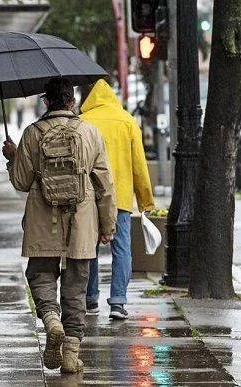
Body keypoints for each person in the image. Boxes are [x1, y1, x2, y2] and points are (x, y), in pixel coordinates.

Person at [2, 78, 116, 373]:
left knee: (41, 275)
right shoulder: (90, 132)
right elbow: (104, 185)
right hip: (82, 219)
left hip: (43, 217)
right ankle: (70, 355)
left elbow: (21, 181)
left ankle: (52, 321)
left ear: (46, 102)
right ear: (72, 101)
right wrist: (108, 226)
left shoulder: (33, 133)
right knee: (77, 285)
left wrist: (14, 158)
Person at [80, 79, 155, 320]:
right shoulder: (127, 121)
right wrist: (145, 201)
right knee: (121, 249)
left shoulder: (83, 122)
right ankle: (118, 302)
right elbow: (138, 165)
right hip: (120, 198)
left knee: (87, 248)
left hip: (89, 196)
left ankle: (90, 298)